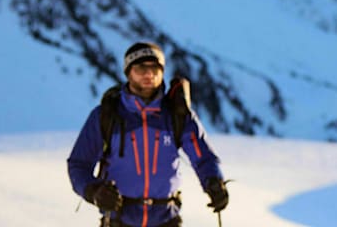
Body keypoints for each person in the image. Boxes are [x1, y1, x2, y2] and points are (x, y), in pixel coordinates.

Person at [66, 42, 229, 227]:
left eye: (155, 68)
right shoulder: (106, 115)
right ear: (128, 72)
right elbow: (79, 165)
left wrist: (214, 182)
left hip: (167, 219)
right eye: (141, 68)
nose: (148, 74)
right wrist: (94, 192)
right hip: (119, 219)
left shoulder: (177, 114)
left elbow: (203, 157)